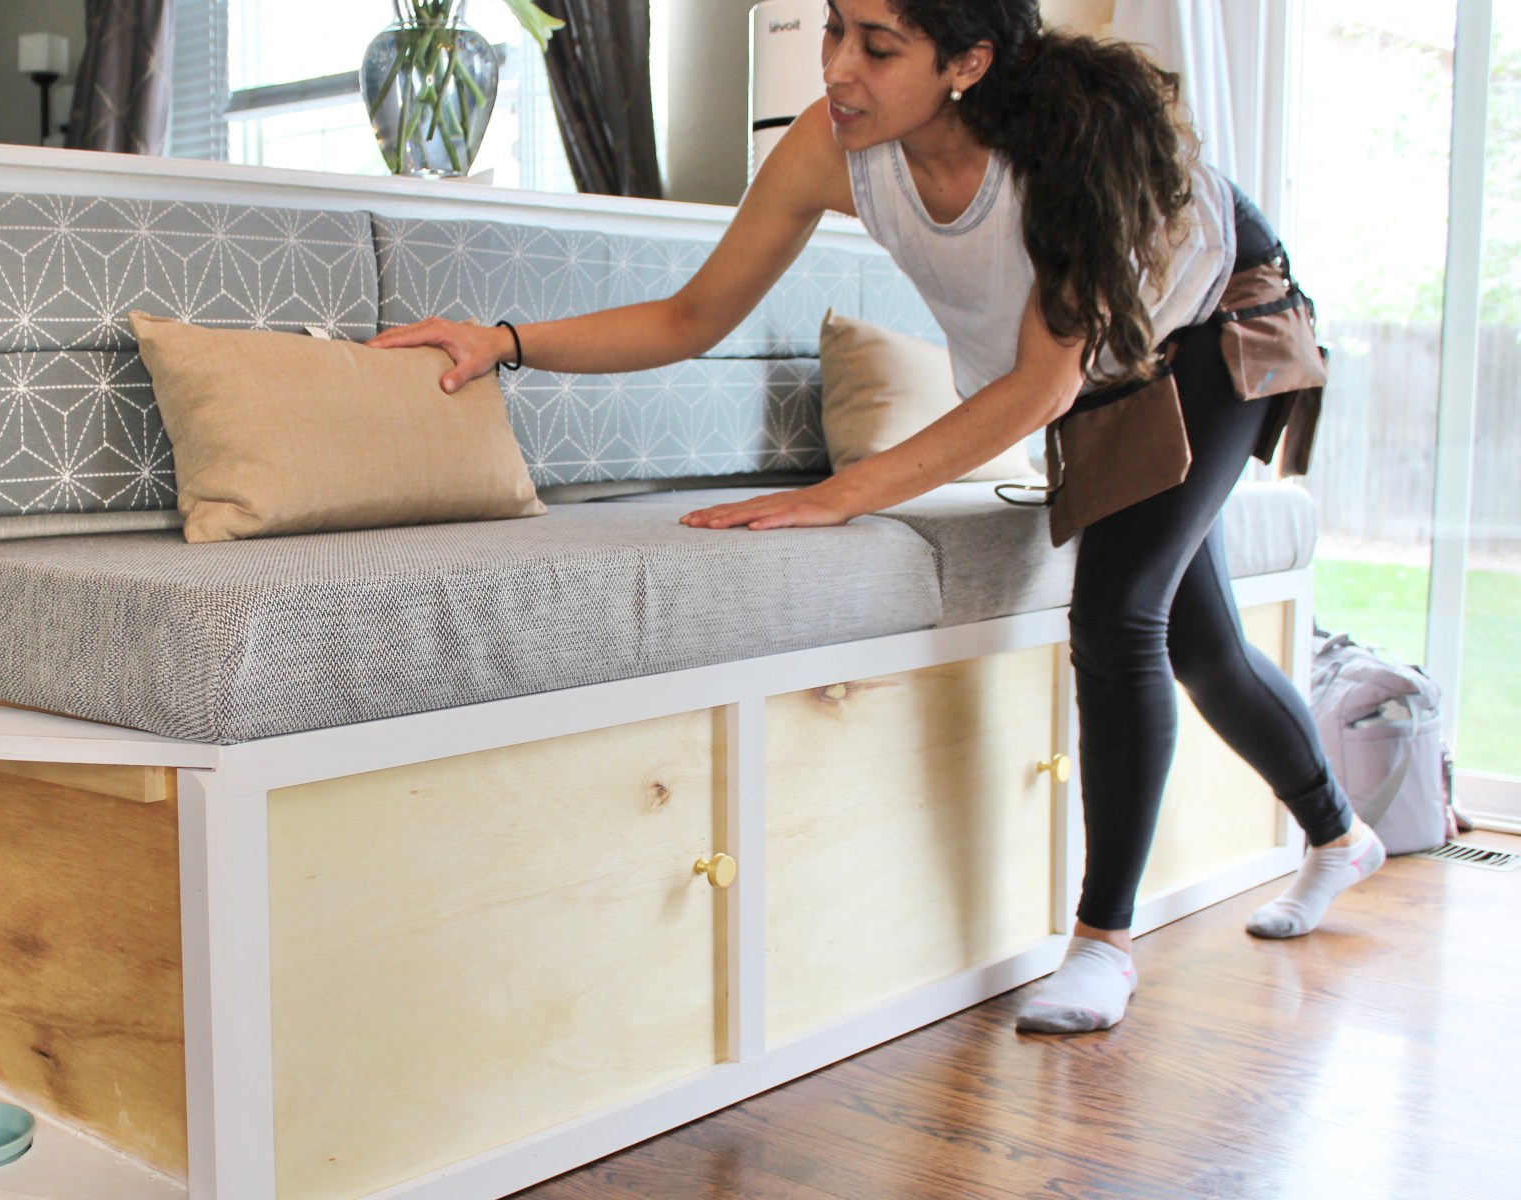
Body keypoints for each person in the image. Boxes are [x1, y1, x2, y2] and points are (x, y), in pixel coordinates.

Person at [367, 0, 1382, 1034]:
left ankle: (1101, 946)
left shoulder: (1062, 158)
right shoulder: (834, 144)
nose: (838, 68)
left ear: (966, 63)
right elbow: (691, 315)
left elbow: (1038, 388)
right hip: (1104, 357)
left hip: (1216, 319)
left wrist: (840, 492)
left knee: (1120, 615)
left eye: (879, 47)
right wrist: (503, 341)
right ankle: (1340, 837)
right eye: (834, 30)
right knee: (1199, 642)